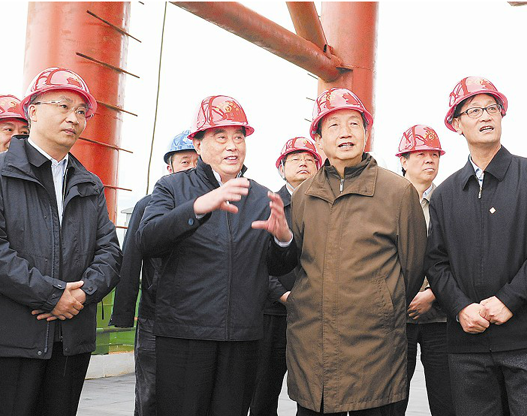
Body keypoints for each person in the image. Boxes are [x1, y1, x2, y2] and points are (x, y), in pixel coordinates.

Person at [137, 95, 294, 416]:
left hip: (243, 338)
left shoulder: (261, 196)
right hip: (184, 335)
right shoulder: (171, 187)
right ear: (198, 144)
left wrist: (283, 238)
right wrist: (198, 206)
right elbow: (148, 240)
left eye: (238, 137)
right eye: (221, 137)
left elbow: (278, 266)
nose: (232, 146)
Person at [425, 76, 527, 416]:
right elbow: (436, 263)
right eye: (474, 110)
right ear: (456, 124)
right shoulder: (445, 194)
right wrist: (460, 308)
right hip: (468, 342)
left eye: (492, 108)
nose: (485, 116)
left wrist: (508, 300)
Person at [286, 87, 427, 415]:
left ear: (366, 133)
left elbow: (413, 267)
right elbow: (297, 265)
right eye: (333, 125)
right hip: (314, 344)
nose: (345, 132)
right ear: (318, 139)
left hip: (374, 344)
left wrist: (381, 303)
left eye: (354, 123)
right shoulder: (304, 195)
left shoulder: (398, 191)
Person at [0, 67, 122, 416]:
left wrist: (80, 295)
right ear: (33, 111)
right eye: (63, 106)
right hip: (13, 340)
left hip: (71, 342)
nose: (74, 118)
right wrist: (52, 295)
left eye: (81, 111)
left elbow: (110, 252)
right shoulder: (3, 173)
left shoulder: (89, 184)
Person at [110, 130, 198, 416]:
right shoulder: (148, 205)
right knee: (150, 393)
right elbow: (130, 260)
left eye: (197, 162)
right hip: (155, 315)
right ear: (169, 167)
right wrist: (124, 313)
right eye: (184, 161)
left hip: (201, 316)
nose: (191, 168)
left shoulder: (219, 204)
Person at [250, 137, 321, 416]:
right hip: (273, 313)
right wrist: (282, 294)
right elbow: (256, 258)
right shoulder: (267, 204)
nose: (303, 163)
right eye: (295, 159)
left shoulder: (326, 206)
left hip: (315, 316)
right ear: (281, 168)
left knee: (314, 394)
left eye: (310, 159)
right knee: (263, 391)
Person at [396, 125, 454, 416]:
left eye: (434, 154)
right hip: (397, 318)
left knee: (446, 401)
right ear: (403, 160)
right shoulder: (387, 202)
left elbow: (461, 256)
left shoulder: (449, 200)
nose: (429, 160)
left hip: (440, 316)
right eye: (420, 154)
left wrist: (432, 294)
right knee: (392, 400)